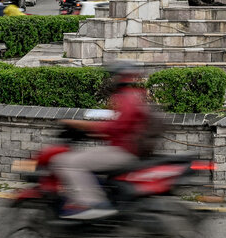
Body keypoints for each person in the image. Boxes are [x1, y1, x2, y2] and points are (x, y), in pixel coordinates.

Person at [50, 61, 151, 220]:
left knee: (69, 161)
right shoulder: (133, 96)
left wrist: (78, 124)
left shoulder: (127, 99)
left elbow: (115, 127)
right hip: (123, 147)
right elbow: (119, 128)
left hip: (123, 151)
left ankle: (93, 203)